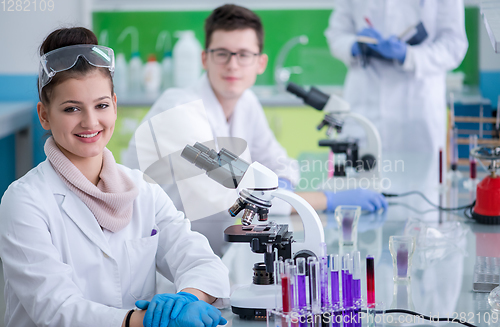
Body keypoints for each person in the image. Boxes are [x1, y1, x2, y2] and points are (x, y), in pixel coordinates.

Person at [0, 27, 230, 327]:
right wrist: (144, 320)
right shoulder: (24, 201)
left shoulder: (143, 190)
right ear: (44, 115)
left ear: (115, 105)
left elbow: (200, 260)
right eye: (71, 109)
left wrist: (185, 300)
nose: (90, 122)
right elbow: (54, 308)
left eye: (101, 105)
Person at [123, 4, 387, 256]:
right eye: (222, 53)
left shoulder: (246, 102)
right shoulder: (178, 111)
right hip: (164, 262)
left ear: (260, 63)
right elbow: (233, 197)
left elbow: (281, 163)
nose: (233, 64)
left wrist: (280, 184)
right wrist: (327, 199)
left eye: (244, 54)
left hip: (216, 250)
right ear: (205, 58)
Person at [325, 0, 468, 156]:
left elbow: (454, 45)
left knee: (418, 174)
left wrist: (409, 55)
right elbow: (336, 34)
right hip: (365, 101)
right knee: (359, 174)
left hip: (417, 105)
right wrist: (354, 45)